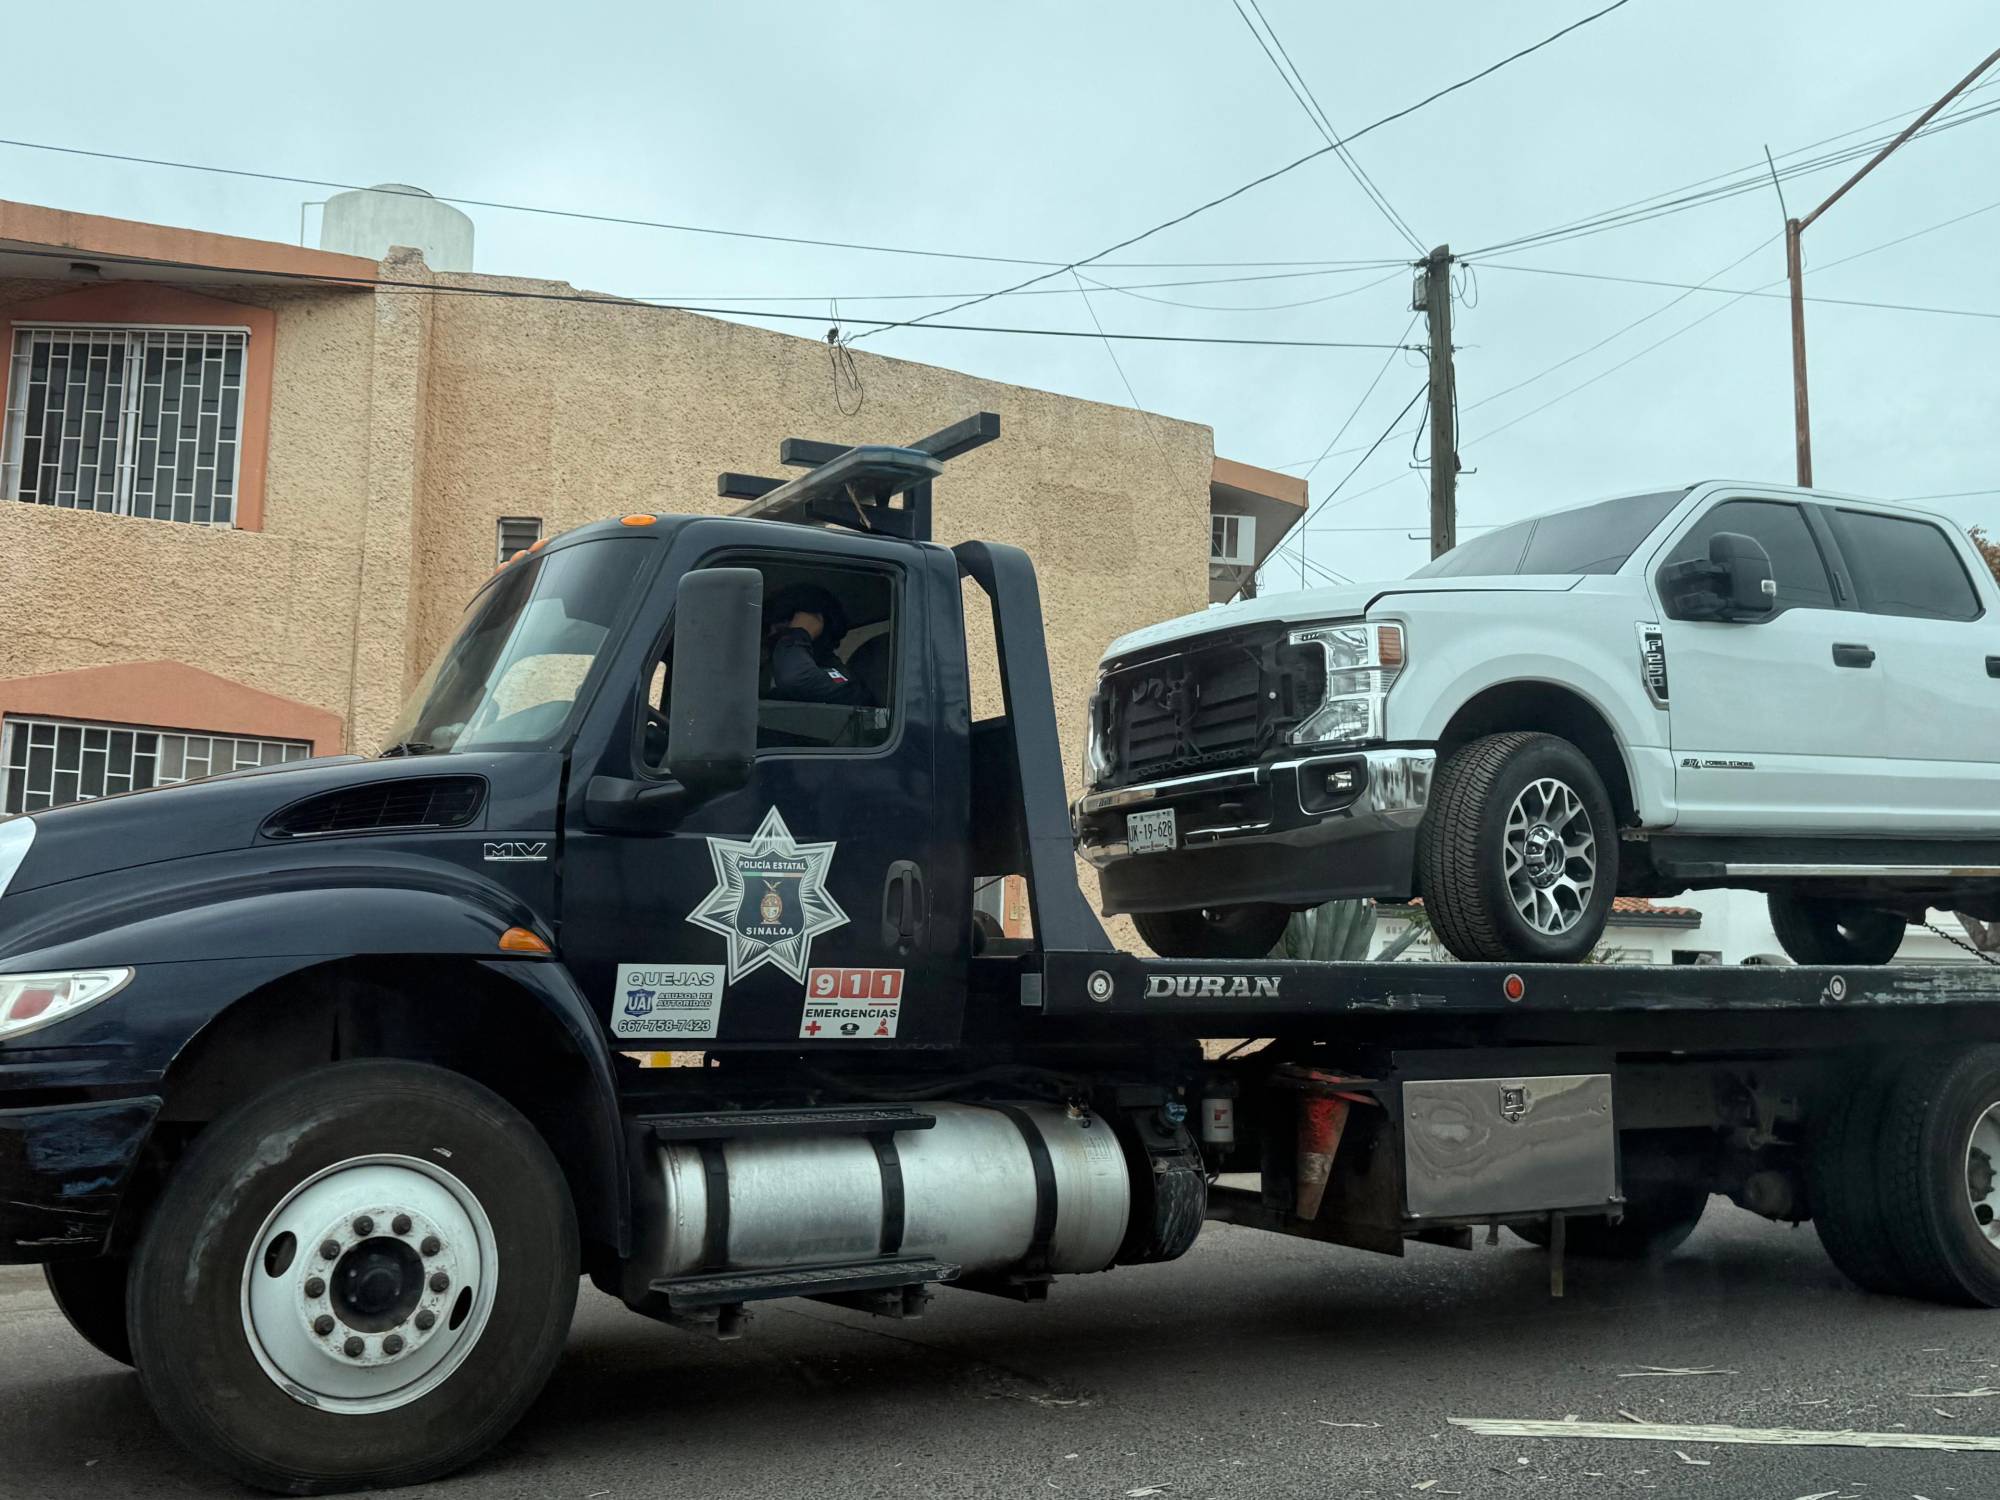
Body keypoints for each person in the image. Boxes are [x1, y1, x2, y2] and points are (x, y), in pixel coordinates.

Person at [765, 583, 875, 707]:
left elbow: (795, 679)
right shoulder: (777, 694)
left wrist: (798, 634)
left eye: (783, 635)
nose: (778, 645)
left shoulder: (845, 687)